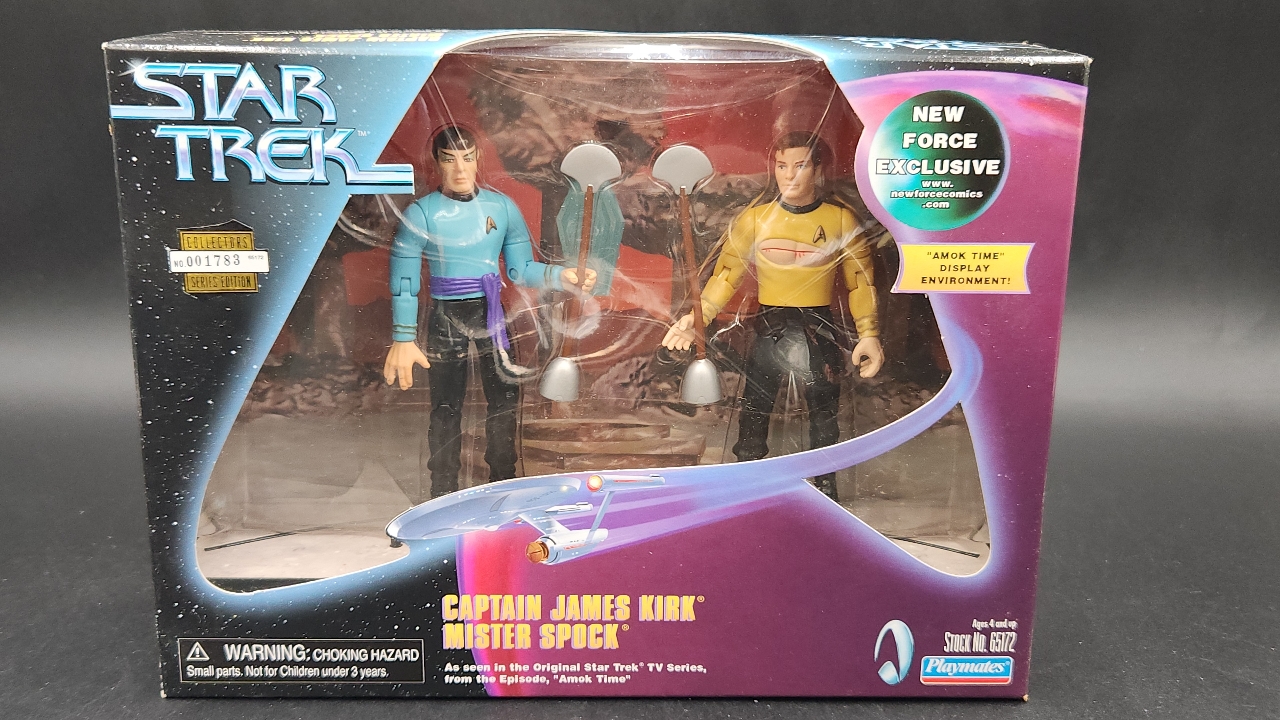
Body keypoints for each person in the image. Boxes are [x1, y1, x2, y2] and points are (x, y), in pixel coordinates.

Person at [662, 131, 883, 501]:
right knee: (755, 405)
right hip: (769, 324)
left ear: (818, 169)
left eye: (800, 166)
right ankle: (748, 476)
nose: (789, 175)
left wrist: (869, 333)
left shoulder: (841, 221)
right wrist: (696, 319)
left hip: (818, 325)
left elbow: (861, 283)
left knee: (824, 408)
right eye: (782, 166)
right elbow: (725, 277)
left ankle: (824, 483)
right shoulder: (755, 219)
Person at [384, 126, 595, 497]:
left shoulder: (501, 207)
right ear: (436, 162)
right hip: (446, 316)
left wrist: (561, 276)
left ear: (478, 158)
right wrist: (403, 336)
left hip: (491, 313)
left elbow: (520, 269)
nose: (459, 169)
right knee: (445, 407)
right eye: (449, 160)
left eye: (467, 158)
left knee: (504, 401)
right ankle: (442, 491)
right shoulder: (422, 213)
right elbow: (404, 279)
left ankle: (503, 482)